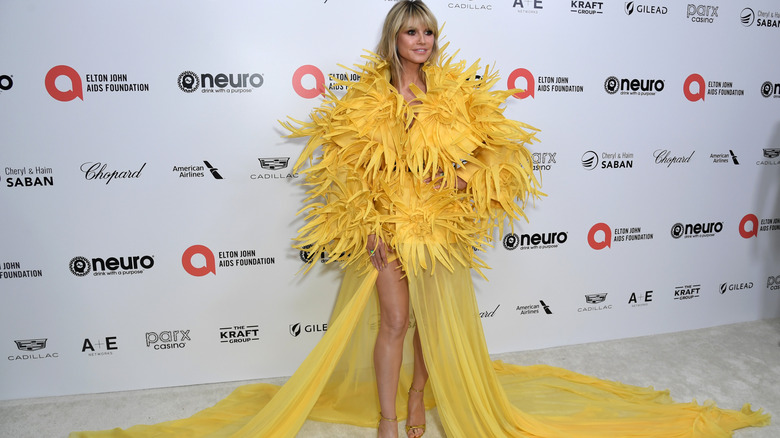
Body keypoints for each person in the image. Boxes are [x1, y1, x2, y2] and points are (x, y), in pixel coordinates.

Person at [71, 1, 770, 437]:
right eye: (412, 31)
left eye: (430, 31)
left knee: (433, 329)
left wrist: (463, 173)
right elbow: (344, 170)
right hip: (387, 227)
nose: (422, 41)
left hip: (444, 228)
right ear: (393, 38)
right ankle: (385, 420)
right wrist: (366, 223)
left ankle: (417, 406)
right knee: (396, 324)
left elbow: (503, 149)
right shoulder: (364, 98)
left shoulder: (460, 95)